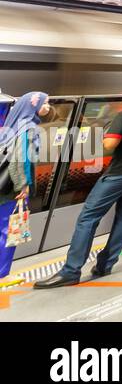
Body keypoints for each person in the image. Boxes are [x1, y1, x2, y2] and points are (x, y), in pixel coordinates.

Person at [36, 76, 122, 288]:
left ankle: (71, 271)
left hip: (120, 173)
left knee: (88, 217)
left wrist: (103, 136)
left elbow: (110, 144)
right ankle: (105, 264)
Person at [0, 92, 52, 282]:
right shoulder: (29, 128)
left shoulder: (10, 125)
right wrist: (24, 186)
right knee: (8, 230)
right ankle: (2, 274)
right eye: (45, 103)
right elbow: (21, 160)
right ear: (34, 105)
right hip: (11, 189)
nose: (48, 106)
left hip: (2, 185)